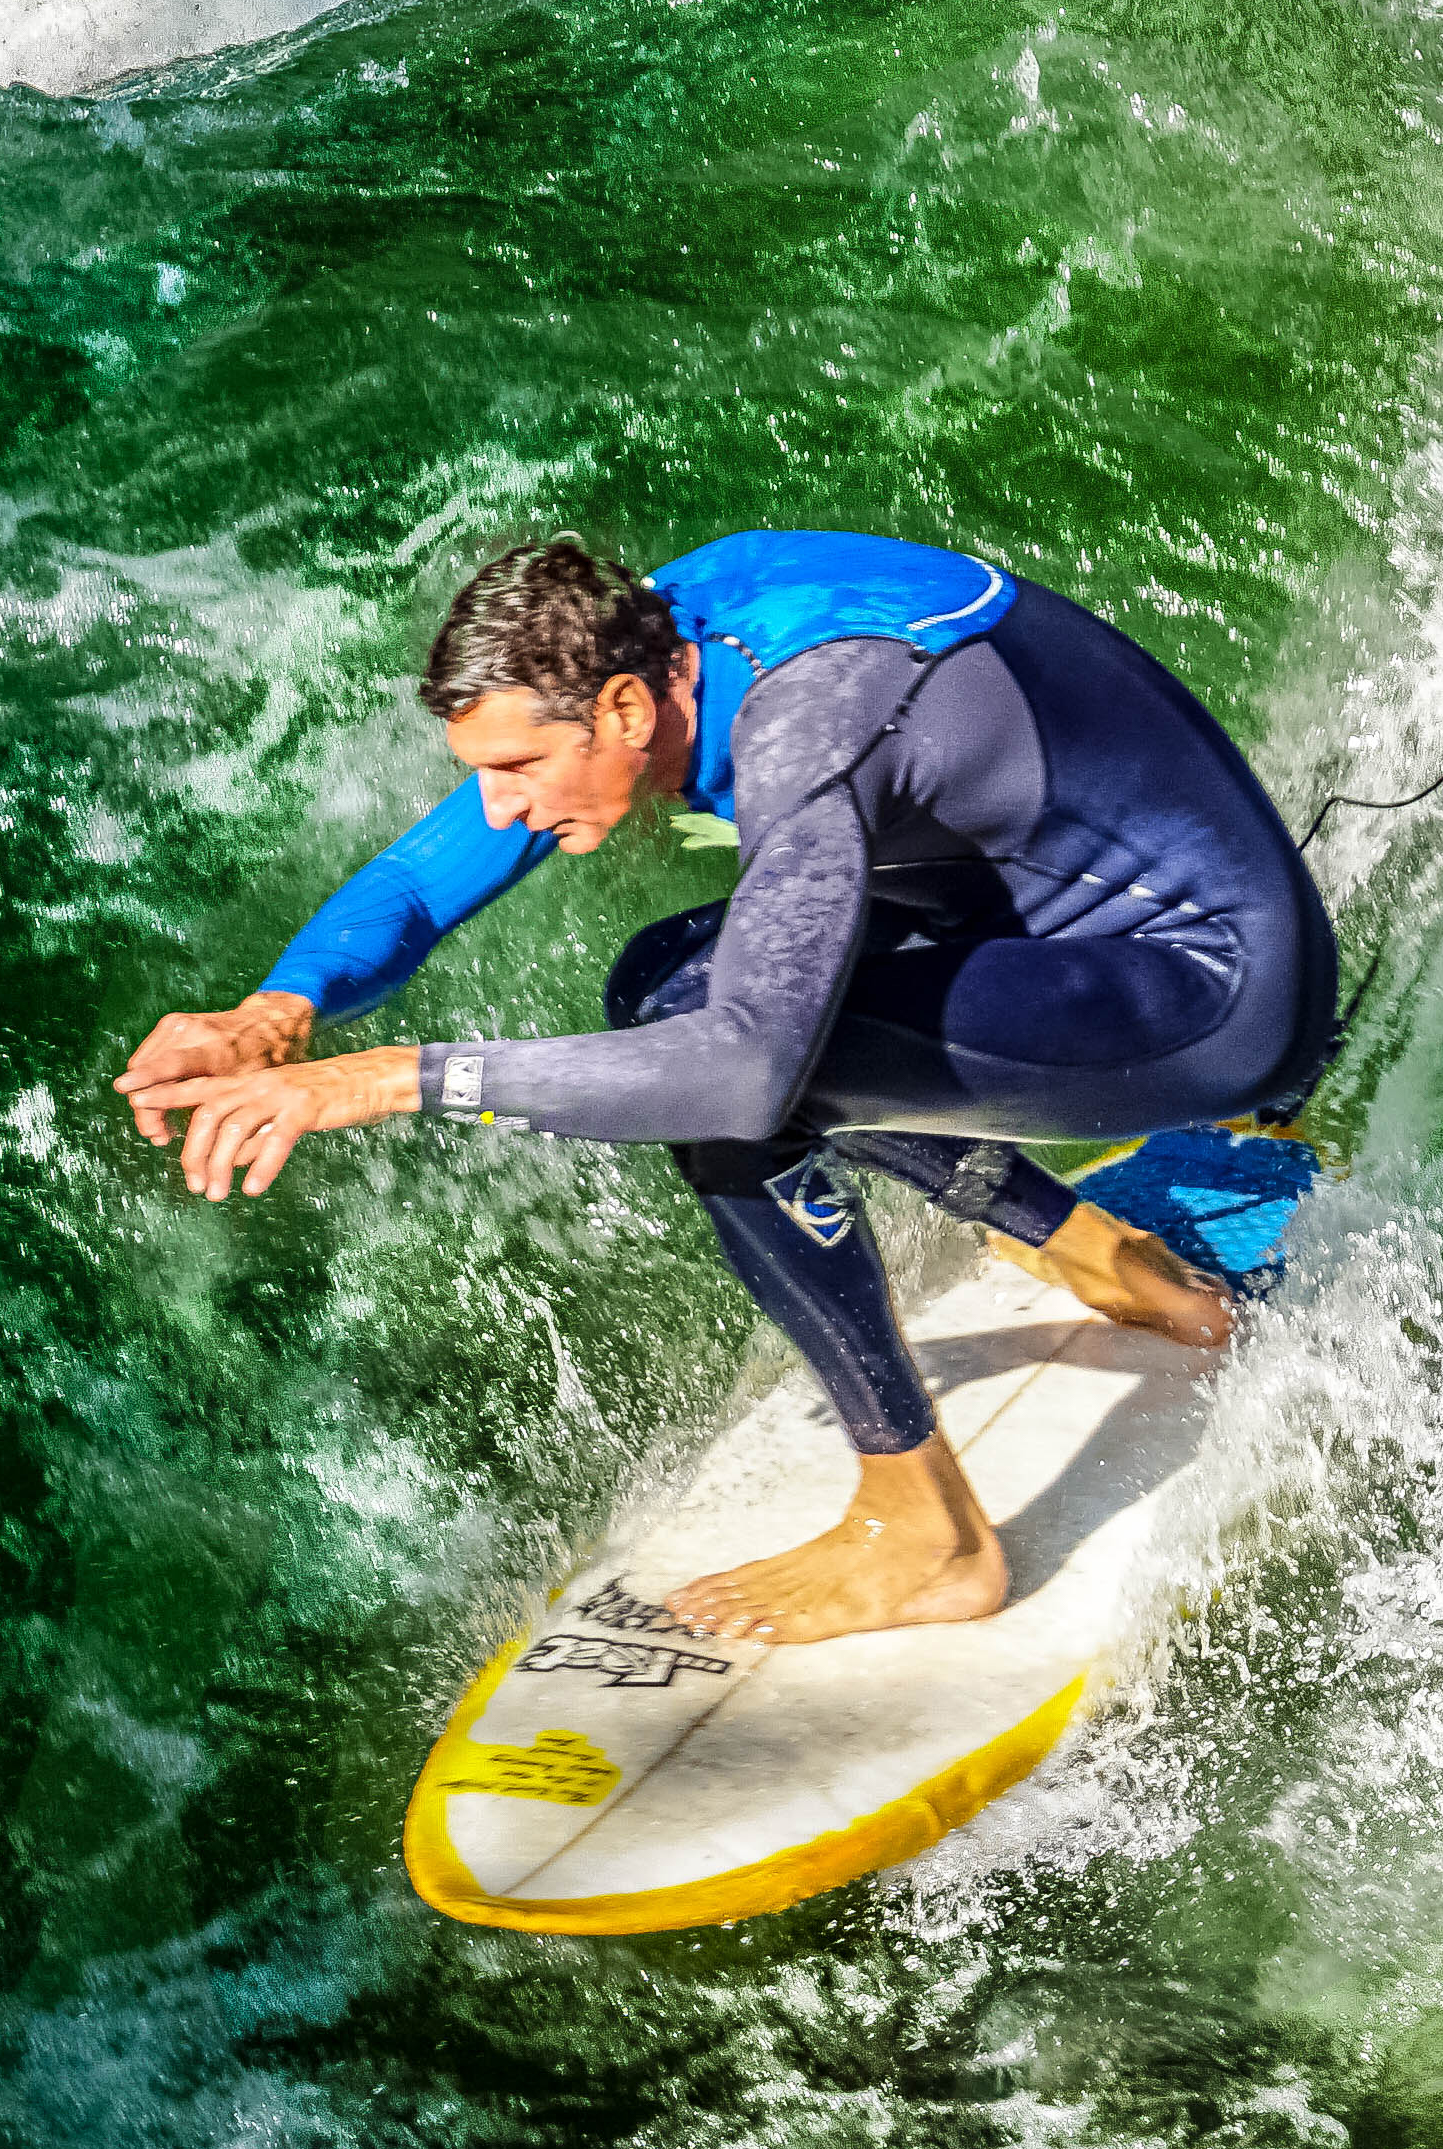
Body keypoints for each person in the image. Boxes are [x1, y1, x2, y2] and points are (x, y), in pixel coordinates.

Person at [119, 531, 1336, 1645]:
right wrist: (280, 1009)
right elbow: (435, 871)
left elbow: (746, 1066)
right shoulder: (660, 628)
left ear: (626, 707)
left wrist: (387, 1080)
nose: (506, 804)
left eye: (521, 766)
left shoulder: (810, 718)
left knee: (723, 1059)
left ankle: (929, 1533)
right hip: (1030, 930)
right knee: (664, 980)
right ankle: (1098, 1254)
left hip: (1207, 997)